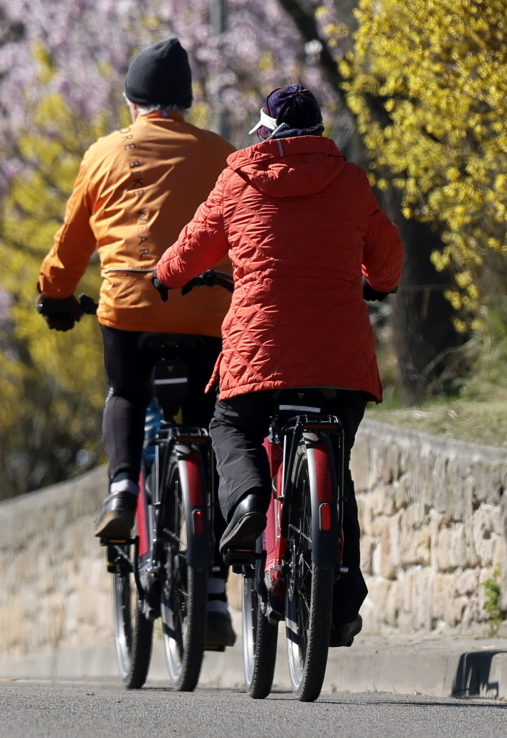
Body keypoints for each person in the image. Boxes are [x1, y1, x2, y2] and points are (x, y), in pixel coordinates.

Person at [153, 84, 402, 648]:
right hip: (340, 362)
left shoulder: (238, 178)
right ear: (318, 132)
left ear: (264, 131)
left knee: (230, 424)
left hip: (259, 352)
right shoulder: (350, 180)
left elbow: (191, 247)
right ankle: (339, 605)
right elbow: (388, 258)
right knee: (335, 465)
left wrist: (164, 276)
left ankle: (247, 500)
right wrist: (376, 285)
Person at [36, 37, 238, 647]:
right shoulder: (224, 155)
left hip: (128, 305)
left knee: (126, 391)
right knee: (209, 427)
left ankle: (124, 485)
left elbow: (74, 242)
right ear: (186, 103)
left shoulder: (104, 154)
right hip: (208, 310)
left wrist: (55, 294)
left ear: (132, 102)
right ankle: (210, 591)